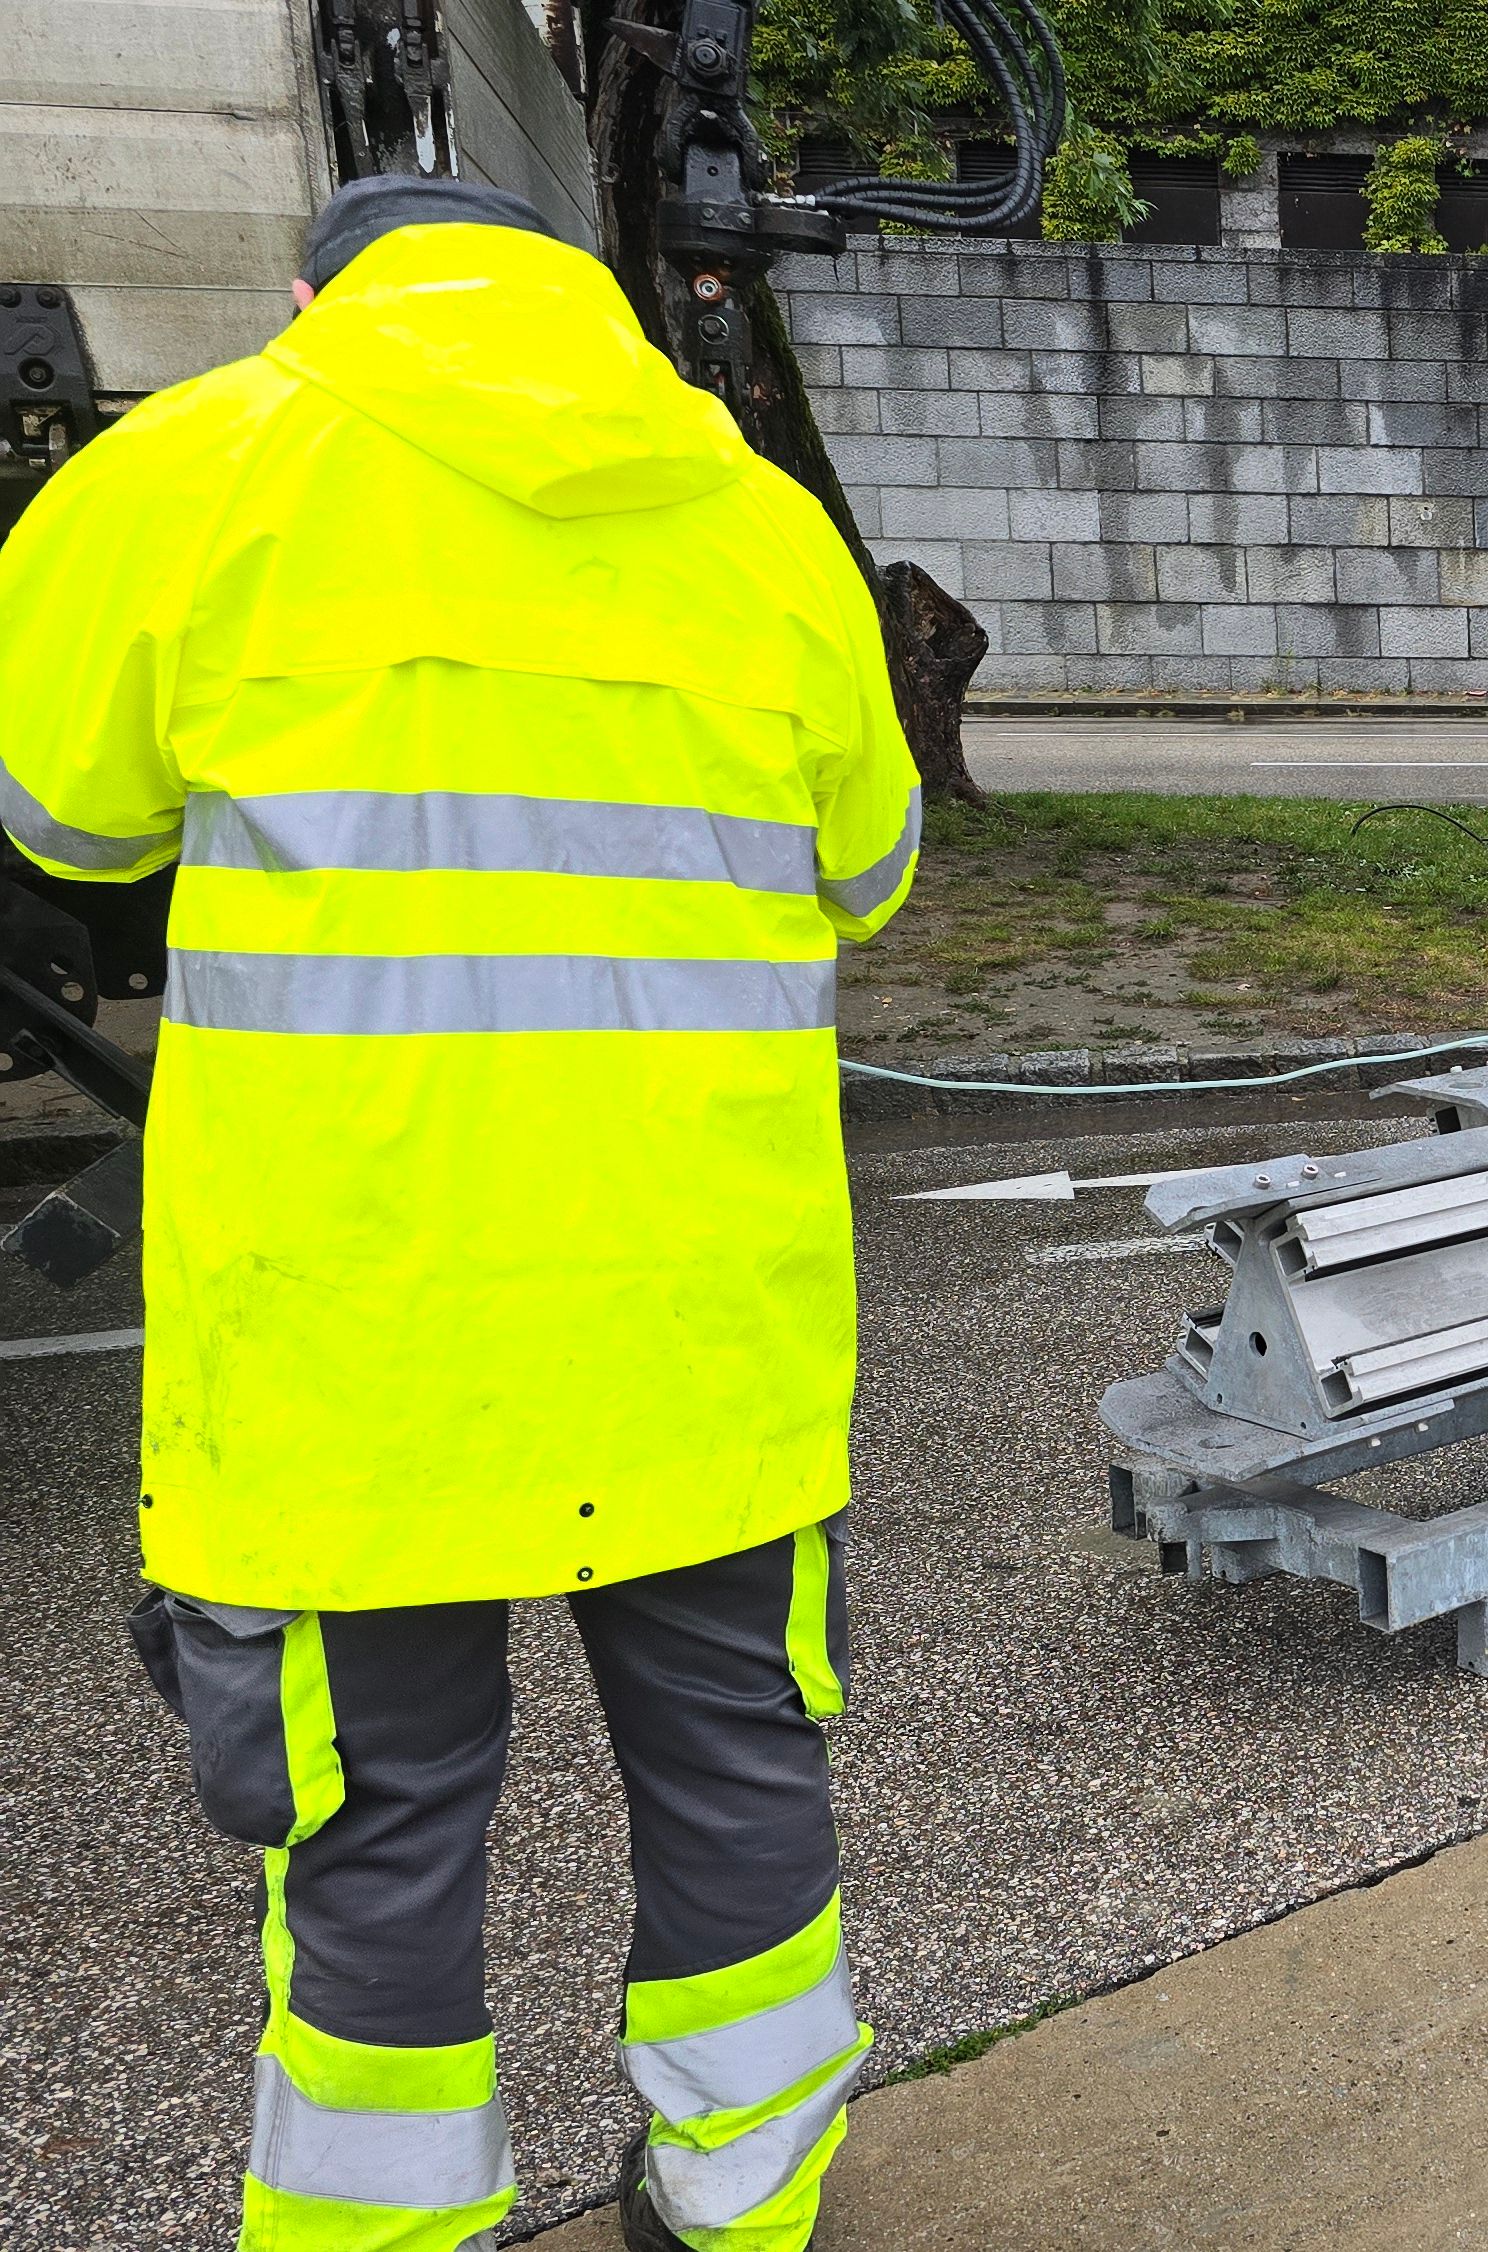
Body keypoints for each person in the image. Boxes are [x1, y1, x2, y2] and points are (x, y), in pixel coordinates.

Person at [0, 173, 918, 2251]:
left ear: (318, 285)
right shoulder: (767, 529)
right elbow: (865, 871)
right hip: (701, 1326)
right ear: (581, 303)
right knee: (739, 1781)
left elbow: (57, 805)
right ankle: (740, 2202)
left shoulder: (198, 470)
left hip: (356, 1341)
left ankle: (386, 2225)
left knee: (375, 1829)